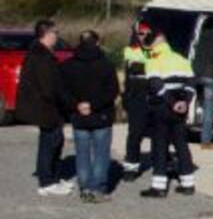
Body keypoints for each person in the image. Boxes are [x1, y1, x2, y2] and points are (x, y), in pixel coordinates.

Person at [61, 30, 120, 203]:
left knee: (82, 154)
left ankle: (85, 188)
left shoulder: (68, 65)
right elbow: (113, 91)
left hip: (79, 116)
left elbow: (62, 91)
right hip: (101, 115)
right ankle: (98, 188)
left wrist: (76, 105)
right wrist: (93, 105)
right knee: (101, 154)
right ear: (98, 43)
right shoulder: (106, 64)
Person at [15, 19, 72, 196]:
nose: (57, 36)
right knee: (50, 143)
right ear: (46, 34)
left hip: (47, 107)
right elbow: (49, 87)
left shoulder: (42, 54)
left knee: (54, 141)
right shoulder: (41, 56)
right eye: (55, 33)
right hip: (45, 108)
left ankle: (53, 177)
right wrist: (67, 102)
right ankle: (46, 181)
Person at [142, 27, 198, 197]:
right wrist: (184, 103)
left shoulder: (153, 60)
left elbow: (155, 85)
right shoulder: (181, 59)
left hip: (162, 107)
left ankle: (159, 187)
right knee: (181, 144)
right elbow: (191, 84)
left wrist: (172, 103)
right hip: (180, 108)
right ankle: (188, 184)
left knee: (159, 145)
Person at [120, 22, 152, 180]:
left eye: (147, 33)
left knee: (160, 133)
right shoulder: (130, 50)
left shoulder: (153, 50)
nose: (144, 36)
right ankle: (130, 167)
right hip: (136, 96)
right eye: (141, 33)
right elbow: (138, 66)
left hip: (152, 95)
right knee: (135, 134)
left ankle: (164, 162)